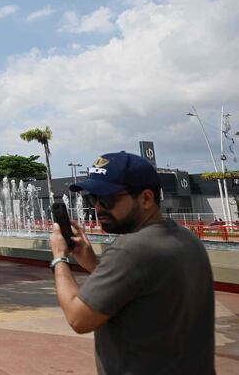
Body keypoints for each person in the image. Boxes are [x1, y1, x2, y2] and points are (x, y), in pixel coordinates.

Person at [49, 151, 215, 375]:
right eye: (93, 198)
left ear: (146, 198)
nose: (98, 207)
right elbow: (141, 293)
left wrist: (60, 258)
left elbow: (78, 319)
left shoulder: (130, 250)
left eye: (107, 199)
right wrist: (92, 264)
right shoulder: (188, 240)